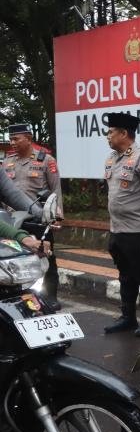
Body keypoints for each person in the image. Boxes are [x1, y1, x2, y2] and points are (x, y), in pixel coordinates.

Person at [102, 112, 140, 336]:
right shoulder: (112, 158)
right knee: (126, 276)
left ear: (123, 133)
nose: (107, 136)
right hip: (118, 231)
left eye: (111, 132)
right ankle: (128, 317)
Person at [4, 123, 62, 301]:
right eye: (10, 139)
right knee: (14, 259)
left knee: (46, 259)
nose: (12, 142)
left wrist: (56, 216)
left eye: (16, 138)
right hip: (11, 222)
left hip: (38, 220)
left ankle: (50, 298)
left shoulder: (46, 160)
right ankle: (21, 298)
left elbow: (55, 190)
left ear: (28, 139)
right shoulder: (7, 161)